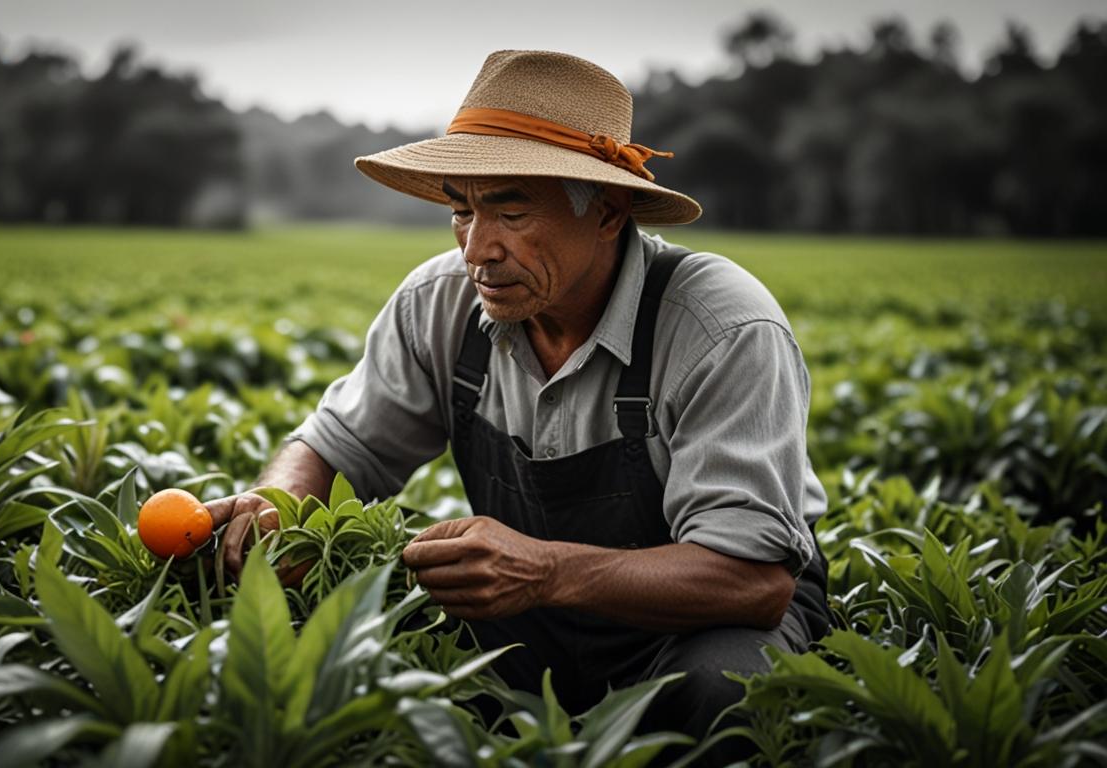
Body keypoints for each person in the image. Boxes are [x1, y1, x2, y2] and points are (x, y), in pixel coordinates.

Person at [204, 49, 831, 759]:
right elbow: (337, 445)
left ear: (607, 210)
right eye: (461, 211)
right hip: (529, 611)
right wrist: (277, 501)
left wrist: (547, 570)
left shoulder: (718, 326)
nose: (477, 250)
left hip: (696, 621)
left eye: (509, 209)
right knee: (353, 656)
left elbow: (753, 582)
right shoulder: (438, 301)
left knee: (720, 691)